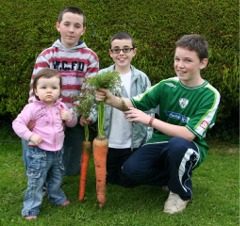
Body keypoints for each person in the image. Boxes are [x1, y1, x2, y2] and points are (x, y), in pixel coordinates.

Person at [95, 34, 221, 214]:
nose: (180, 65)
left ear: (203, 63)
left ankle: (180, 193)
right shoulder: (166, 85)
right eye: (177, 59)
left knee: (178, 145)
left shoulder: (210, 94)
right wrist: (111, 99)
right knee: (130, 170)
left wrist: (150, 120)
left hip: (189, 146)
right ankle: (173, 178)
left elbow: (188, 134)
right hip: (160, 141)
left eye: (187, 60)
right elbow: (133, 102)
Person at [22, 6, 99, 175]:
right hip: (45, 115)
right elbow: (35, 90)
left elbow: (88, 92)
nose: (71, 30)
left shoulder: (90, 57)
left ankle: (57, 166)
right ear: (58, 26)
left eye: (77, 26)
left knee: (71, 170)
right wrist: (37, 116)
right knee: (33, 147)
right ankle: (38, 179)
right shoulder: (47, 55)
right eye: (67, 24)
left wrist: (69, 117)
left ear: (83, 30)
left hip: (72, 116)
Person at [82, 31, 152, 186]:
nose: (121, 53)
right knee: (109, 179)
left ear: (134, 51)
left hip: (132, 141)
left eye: (126, 49)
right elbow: (93, 103)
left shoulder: (141, 78)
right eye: (116, 49)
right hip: (109, 141)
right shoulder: (102, 76)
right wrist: (90, 117)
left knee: (129, 181)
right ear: (110, 53)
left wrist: (147, 138)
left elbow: (149, 108)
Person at [12, 69, 78, 220]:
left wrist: (69, 117)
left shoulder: (61, 107)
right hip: (38, 152)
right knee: (37, 180)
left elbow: (73, 123)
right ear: (35, 90)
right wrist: (31, 135)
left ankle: (56, 196)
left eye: (54, 88)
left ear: (60, 90)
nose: (49, 91)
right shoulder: (32, 108)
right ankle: (31, 208)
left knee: (57, 176)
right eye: (44, 87)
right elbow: (17, 123)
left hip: (58, 151)